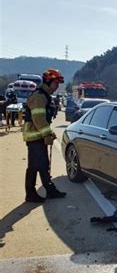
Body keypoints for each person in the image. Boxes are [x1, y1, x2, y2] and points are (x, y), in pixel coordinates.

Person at [22, 69, 67, 203]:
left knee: (42, 165)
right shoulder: (39, 97)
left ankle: (50, 190)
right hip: (35, 137)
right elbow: (39, 119)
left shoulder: (44, 95)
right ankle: (31, 194)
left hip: (38, 136)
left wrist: (48, 133)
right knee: (36, 166)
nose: (57, 86)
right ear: (48, 81)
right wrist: (47, 134)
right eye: (56, 83)